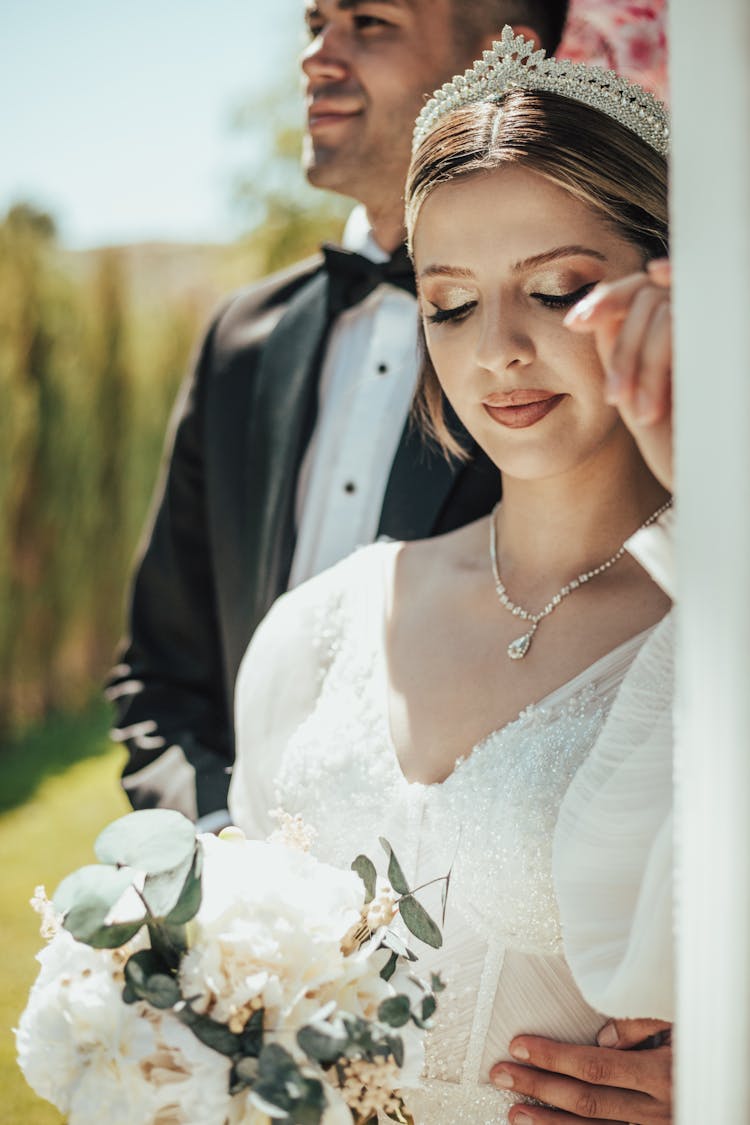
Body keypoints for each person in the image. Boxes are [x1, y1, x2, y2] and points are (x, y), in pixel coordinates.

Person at [228, 27, 674, 1125]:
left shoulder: (719, 631)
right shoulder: (324, 625)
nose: (498, 350)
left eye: (559, 289)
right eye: (453, 303)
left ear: (670, 290)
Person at [107, 0, 569, 830]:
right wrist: (214, 860)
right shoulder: (239, 341)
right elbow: (161, 673)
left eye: (370, 22)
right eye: (314, 23)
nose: (317, 57)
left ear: (504, 52)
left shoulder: (575, 338)